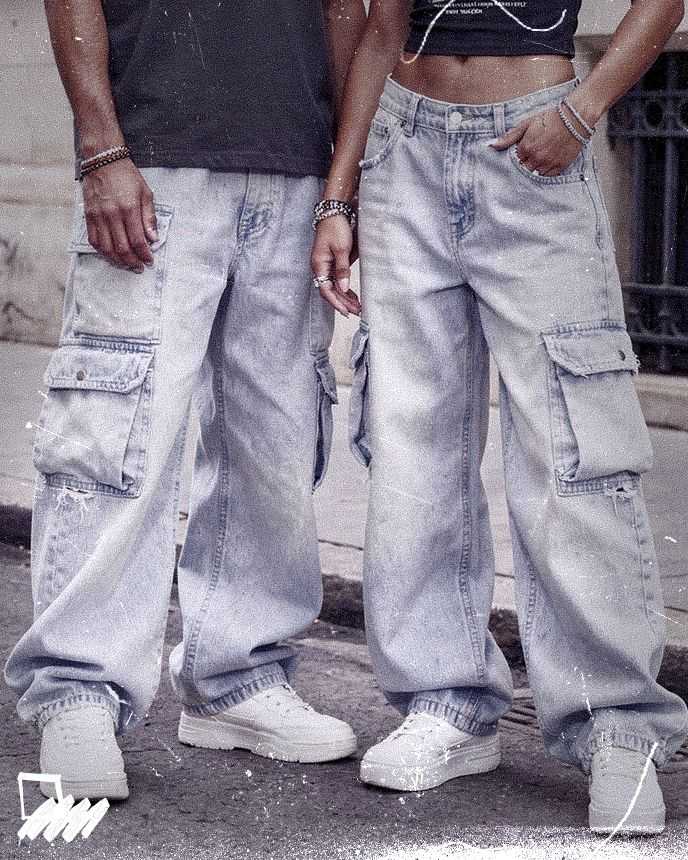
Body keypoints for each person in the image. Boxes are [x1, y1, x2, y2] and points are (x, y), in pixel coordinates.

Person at [312, 0, 688, 835]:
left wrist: (583, 111)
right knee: (414, 444)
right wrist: (341, 191)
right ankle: (445, 702)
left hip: (536, 144)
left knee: (570, 443)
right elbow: (379, 26)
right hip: (403, 142)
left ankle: (617, 725)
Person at [5, 0, 367, 800]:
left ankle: (236, 680)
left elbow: (350, 10)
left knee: (272, 444)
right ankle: (78, 689)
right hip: (151, 161)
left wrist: (344, 183)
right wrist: (101, 150)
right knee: (117, 431)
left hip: (298, 167)